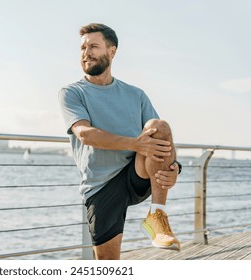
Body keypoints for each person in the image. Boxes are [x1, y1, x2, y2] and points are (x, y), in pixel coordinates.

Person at [58, 23, 182, 260]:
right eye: (83, 47)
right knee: (107, 261)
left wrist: (174, 167)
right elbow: (85, 133)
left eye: (93, 46)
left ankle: (158, 216)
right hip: (101, 184)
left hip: (137, 173)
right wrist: (135, 144)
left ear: (111, 51)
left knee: (159, 126)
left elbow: (162, 137)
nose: (86, 52)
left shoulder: (136, 94)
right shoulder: (72, 92)